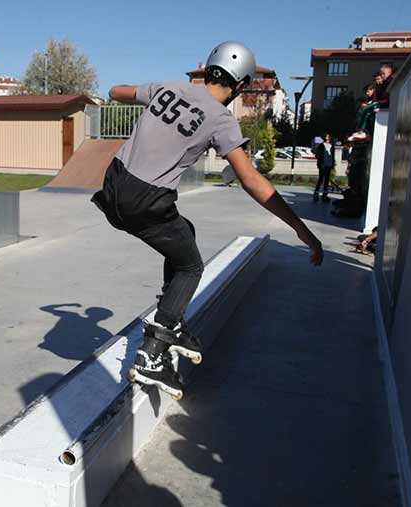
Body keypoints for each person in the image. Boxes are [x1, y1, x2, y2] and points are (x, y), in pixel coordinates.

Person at [92, 41, 323, 399]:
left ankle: (173, 314)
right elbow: (251, 179)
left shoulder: (168, 88)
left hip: (113, 187)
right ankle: (154, 351)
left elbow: (115, 91)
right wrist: (300, 228)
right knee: (190, 267)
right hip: (147, 201)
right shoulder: (221, 119)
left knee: (185, 234)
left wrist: (120, 92)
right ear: (241, 84)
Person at [314, 133, 336, 202]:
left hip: (328, 165)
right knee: (321, 179)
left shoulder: (331, 146)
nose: (327, 137)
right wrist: (320, 164)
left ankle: (325, 196)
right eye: (326, 136)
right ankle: (316, 194)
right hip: (322, 165)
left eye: (328, 136)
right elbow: (318, 155)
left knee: (326, 181)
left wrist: (332, 164)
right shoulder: (321, 145)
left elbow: (332, 156)